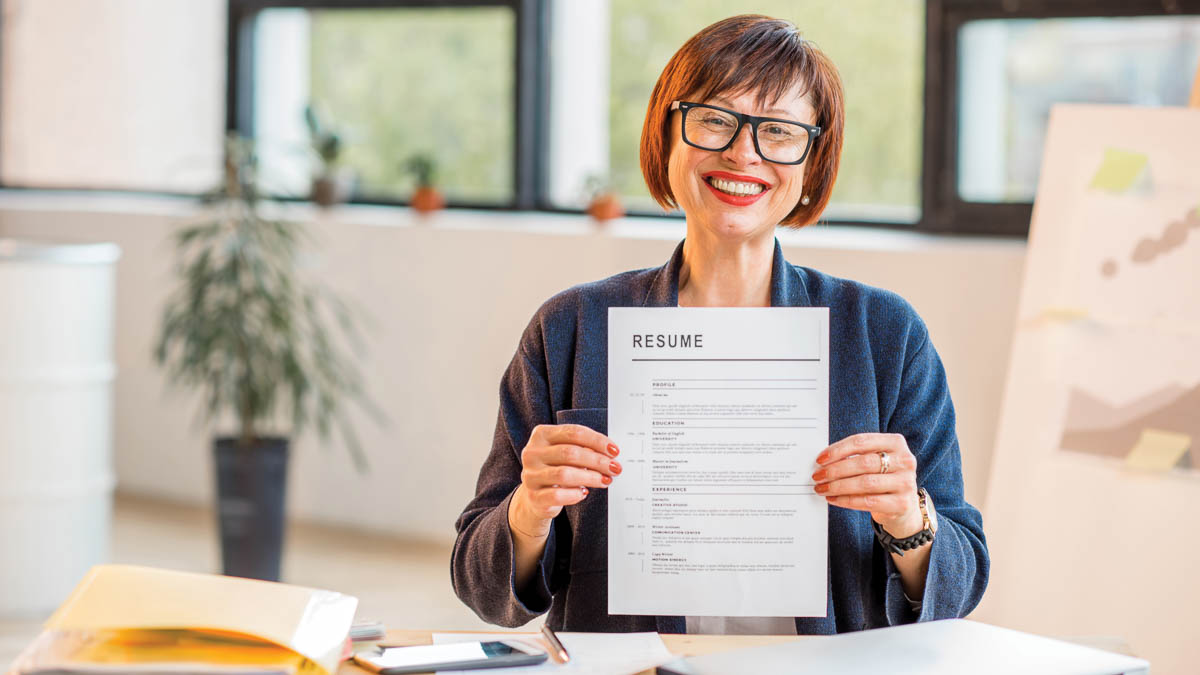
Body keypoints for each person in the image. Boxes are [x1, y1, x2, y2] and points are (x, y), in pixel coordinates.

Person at [451, 14, 988, 634]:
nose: (743, 151)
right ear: (667, 134)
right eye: (714, 119)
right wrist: (527, 511)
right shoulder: (570, 327)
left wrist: (907, 518)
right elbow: (481, 587)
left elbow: (962, 580)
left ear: (812, 162)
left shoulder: (884, 333)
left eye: (779, 131)